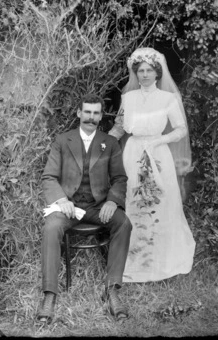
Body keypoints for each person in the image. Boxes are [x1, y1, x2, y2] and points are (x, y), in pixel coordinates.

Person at [37, 94, 132, 323]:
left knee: (124, 223)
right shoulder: (63, 140)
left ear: (101, 116)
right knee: (51, 228)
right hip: (69, 207)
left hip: (98, 206)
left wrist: (112, 201)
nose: (91, 117)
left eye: (96, 113)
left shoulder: (109, 143)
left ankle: (112, 290)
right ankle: (49, 295)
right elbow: (48, 177)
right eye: (87, 112)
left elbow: (119, 178)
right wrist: (61, 200)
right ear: (79, 113)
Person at [108, 47, 196, 282]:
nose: (144, 75)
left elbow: (180, 129)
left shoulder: (168, 99)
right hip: (133, 153)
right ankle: (135, 257)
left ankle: (162, 258)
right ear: (135, 73)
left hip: (159, 154)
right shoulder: (128, 98)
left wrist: (159, 140)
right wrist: (103, 144)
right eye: (140, 71)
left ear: (157, 73)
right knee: (134, 201)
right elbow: (119, 126)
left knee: (161, 201)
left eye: (149, 70)